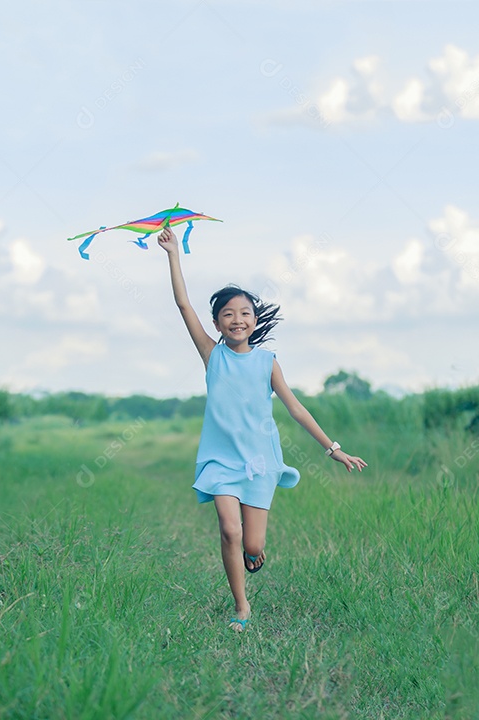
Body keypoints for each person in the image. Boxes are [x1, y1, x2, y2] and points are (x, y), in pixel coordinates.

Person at [157, 226, 368, 632]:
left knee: (252, 544)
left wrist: (333, 449)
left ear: (254, 321)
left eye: (245, 314)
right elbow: (184, 306)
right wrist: (173, 256)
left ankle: (255, 555)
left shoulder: (267, 361)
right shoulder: (211, 355)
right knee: (229, 531)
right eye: (228, 315)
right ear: (218, 323)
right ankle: (241, 608)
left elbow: (297, 410)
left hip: (259, 462)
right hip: (220, 461)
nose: (237, 320)